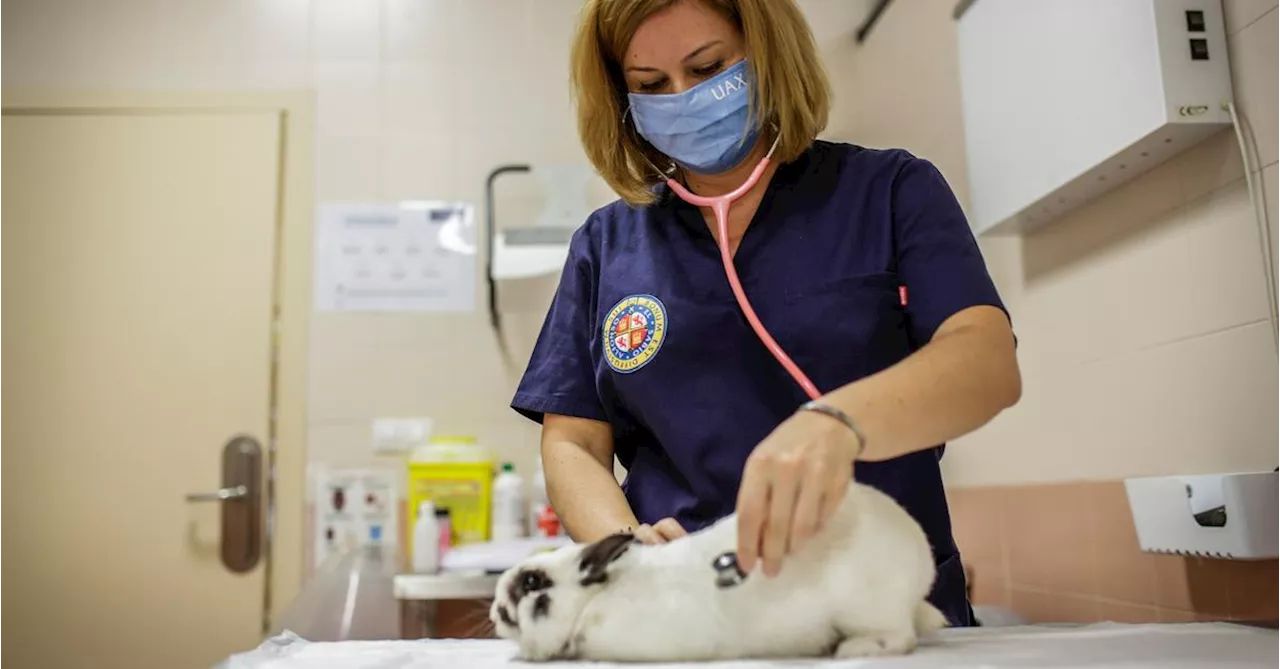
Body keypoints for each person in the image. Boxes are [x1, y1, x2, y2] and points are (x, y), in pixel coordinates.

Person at [509, 0, 1021, 627]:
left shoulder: (887, 190)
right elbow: (573, 443)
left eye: (708, 67)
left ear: (767, 51)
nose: (683, 97)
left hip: (878, 612)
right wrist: (624, 550)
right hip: (688, 614)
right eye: (650, 86)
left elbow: (986, 361)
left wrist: (839, 422)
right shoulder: (607, 244)